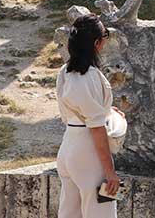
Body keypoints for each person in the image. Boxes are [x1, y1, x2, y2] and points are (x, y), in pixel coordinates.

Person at [55, 13, 123, 218]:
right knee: (101, 212)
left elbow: (78, 111)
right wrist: (110, 171)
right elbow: (95, 127)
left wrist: (108, 111)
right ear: (96, 43)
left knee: (69, 213)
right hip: (88, 152)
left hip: (68, 148)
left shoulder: (65, 72)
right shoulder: (92, 76)